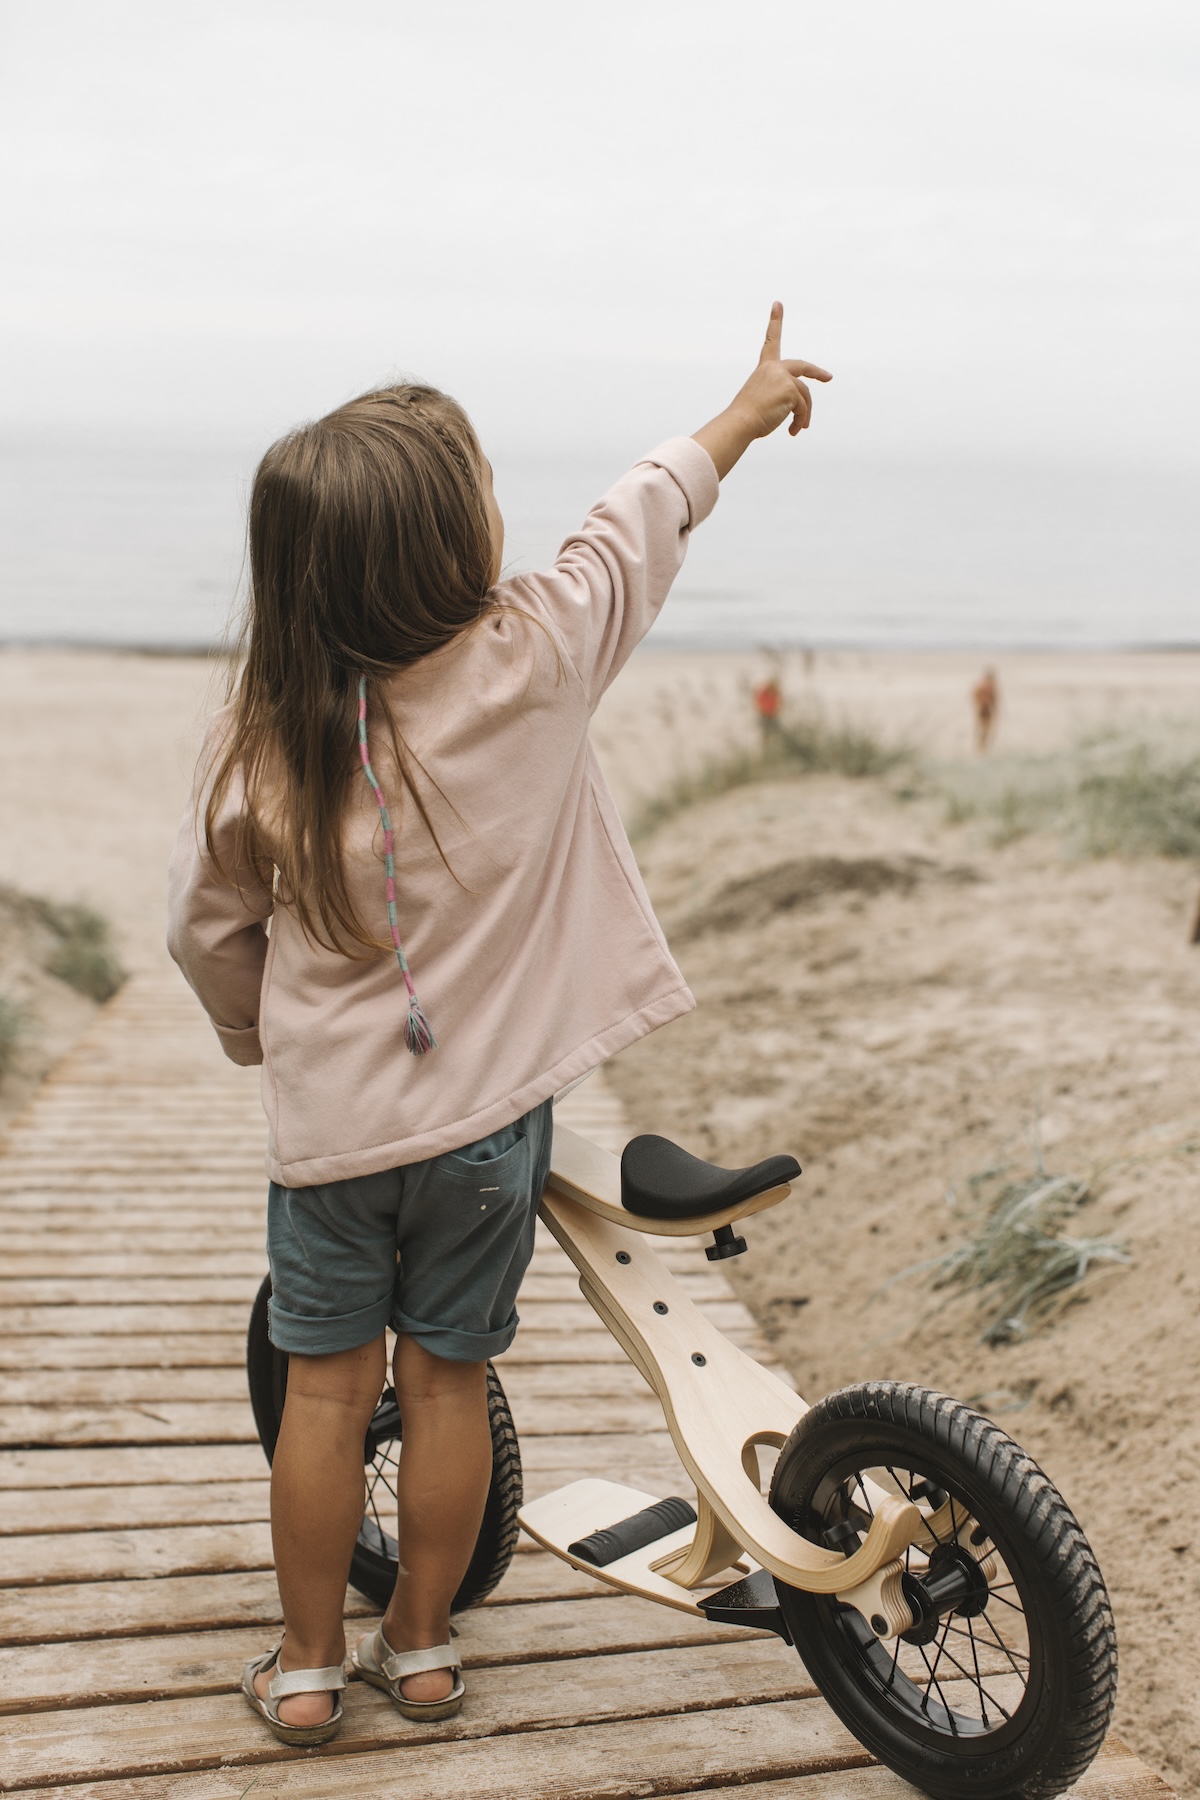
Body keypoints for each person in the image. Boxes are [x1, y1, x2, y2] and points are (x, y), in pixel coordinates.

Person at [167, 304, 830, 1746]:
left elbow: (204, 933)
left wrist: (250, 1035)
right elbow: (636, 521)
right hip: (485, 1140)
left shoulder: (263, 741)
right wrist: (741, 409)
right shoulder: (532, 658)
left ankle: (298, 1664)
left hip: (336, 1143)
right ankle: (421, 1652)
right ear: (449, 550)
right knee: (449, 1382)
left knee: (327, 1403)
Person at [972, 666, 999, 752]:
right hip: (985, 709)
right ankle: (982, 748)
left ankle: (981, 747)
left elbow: (974, 696)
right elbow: (994, 699)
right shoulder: (989, 686)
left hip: (982, 708)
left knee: (983, 730)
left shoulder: (980, 684)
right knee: (985, 730)